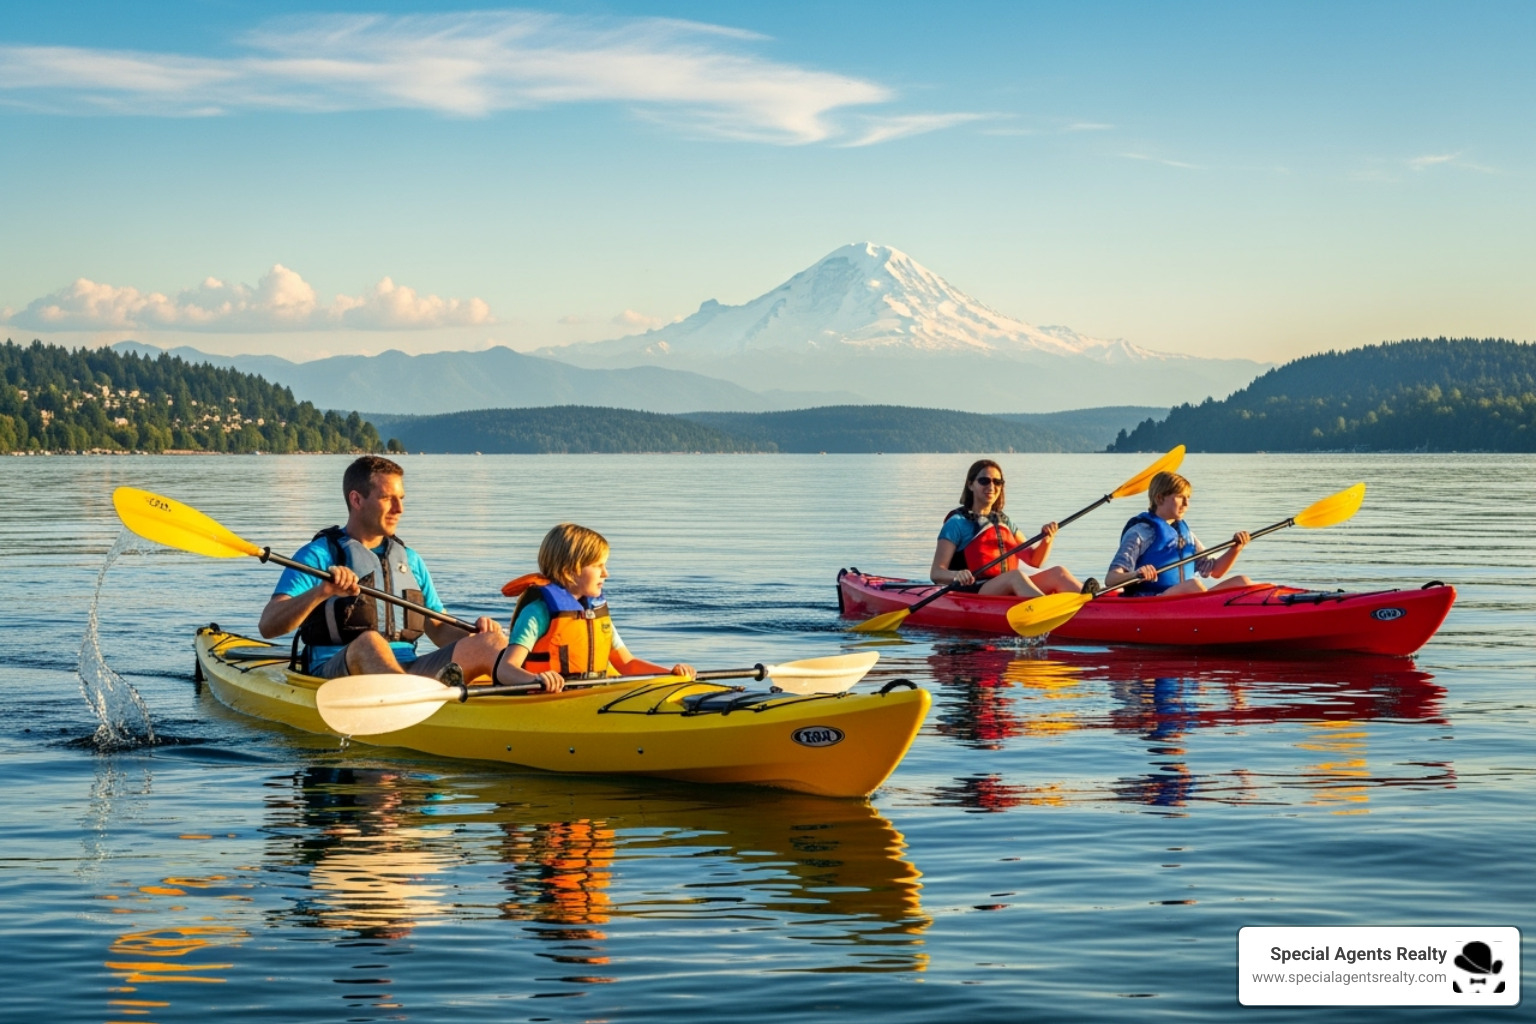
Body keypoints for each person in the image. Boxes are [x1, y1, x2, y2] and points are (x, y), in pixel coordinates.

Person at [258, 455, 510, 683]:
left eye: (400, 499)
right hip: (334, 673)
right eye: (387, 499)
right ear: (356, 499)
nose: (399, 509)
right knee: (369, 642)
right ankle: (415, 695)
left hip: (408, 669)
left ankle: (536, 691)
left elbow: (439, 628)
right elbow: (268, 626)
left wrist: (475, 633)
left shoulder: (410, 559)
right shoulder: (319, 555)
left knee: (491, 641)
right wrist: (322, 591)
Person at [496, 523, 694, 693]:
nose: (605, 573)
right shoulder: (537, 613)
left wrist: (671, 675)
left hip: (591, 698)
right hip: (547, 699)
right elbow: (506, 670)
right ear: (570, 571)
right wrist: (536, 679)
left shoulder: (595, 614)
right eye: (598, 566)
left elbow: (626, 664)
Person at [929, 459, 1086, 598]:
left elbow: (1034, 561)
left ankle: (1098, 604)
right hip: (973, 590)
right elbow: (936, 573)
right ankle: (1048, 612)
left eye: (997, 482)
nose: (991, 486)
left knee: (1058, 573)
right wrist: (957, 575)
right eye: (984, 481)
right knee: (1015, 577)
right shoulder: (957, 523)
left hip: (1005, 585)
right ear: (970, 485)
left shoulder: (1004, 522)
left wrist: (1047, 540)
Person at [1103, 471, 1255, 596]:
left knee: (1242, 581)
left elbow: (1215, 571)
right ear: (1160, 498)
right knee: (1193, 586)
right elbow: (1111, 579)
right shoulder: (1139, 533)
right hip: (1152, 602)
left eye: (1188, 498)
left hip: (1187, 599)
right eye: (1180, 497)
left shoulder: (1186, 535)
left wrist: (1236, 548)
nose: (1187, 504)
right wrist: (1136, 574)